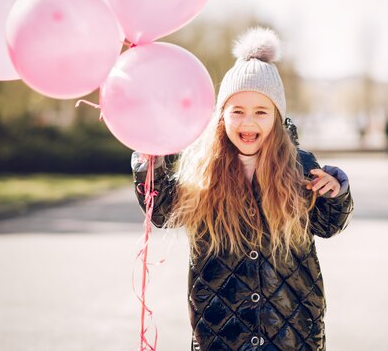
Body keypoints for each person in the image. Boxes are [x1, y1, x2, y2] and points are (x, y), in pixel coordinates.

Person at [131, 27, 354, 350]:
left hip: (291, 334)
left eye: (261, 112)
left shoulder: (300, 165)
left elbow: (328, 224)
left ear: (276, 118)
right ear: (222, 116)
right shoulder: (203, 167)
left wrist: (336, 192)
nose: (248, 123)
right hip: (223, 334)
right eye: (237, 112)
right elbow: (163, 210)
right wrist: (150, 159)